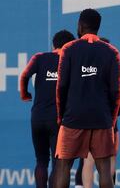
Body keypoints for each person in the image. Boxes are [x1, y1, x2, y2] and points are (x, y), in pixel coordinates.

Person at [54, 8, 120, 188]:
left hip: (73, 117)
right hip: (102, 119)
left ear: (80, 25)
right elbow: (116, 91)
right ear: (98, 28)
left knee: (63, 167)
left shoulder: (68, 49)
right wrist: (111, 120)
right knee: (104, 171)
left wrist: (61, 116)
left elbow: (61, 86)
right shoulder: (111, 52)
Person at [20, 30, 75, 188]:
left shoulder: (40, 58)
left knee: (41, 161)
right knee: (59, 162)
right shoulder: (69, 61)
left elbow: (24, 75)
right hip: (57, 120)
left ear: (53, 45)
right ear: (70, 46)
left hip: (37, 117)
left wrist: (25, 94)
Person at [79, 37, 120, 188]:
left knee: (89, 160)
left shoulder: (84, 66)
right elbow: (116, 96)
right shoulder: (112, 66)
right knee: (108, 160)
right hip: (106, 119)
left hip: (89, 118)